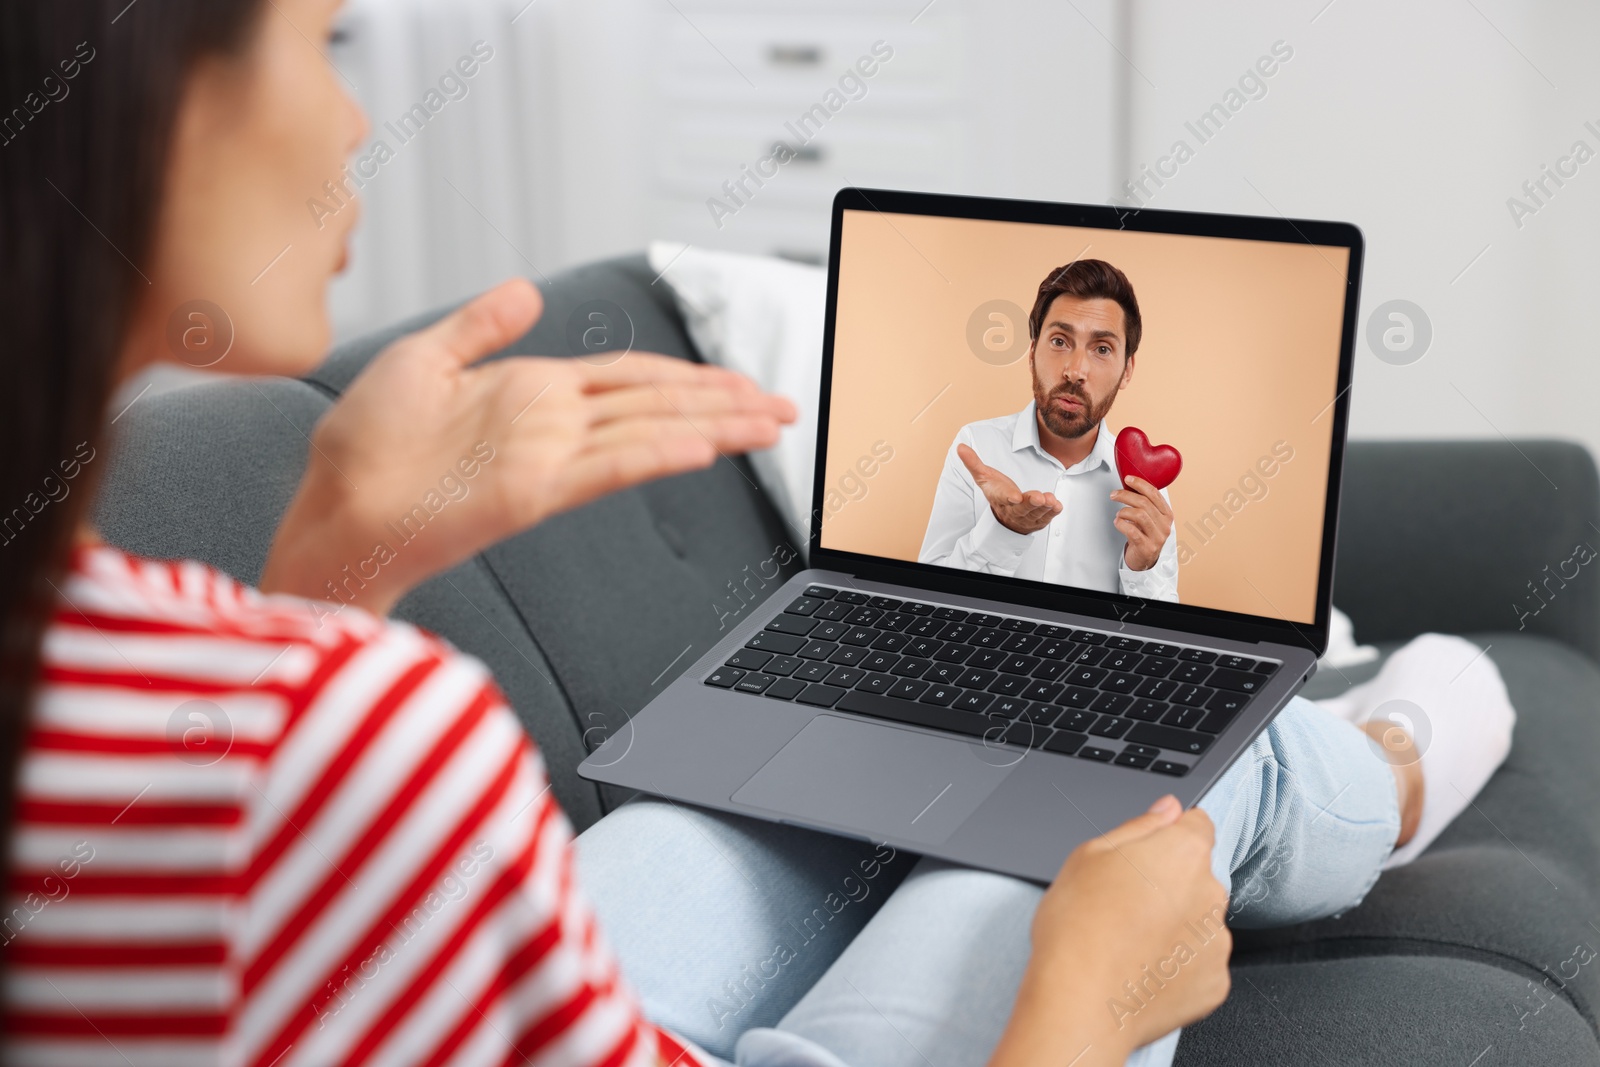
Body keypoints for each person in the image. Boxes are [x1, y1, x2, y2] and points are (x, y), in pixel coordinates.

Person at [0, 3, 1516, 1066]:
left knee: (698, 819)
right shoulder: (374, 736)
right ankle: (1385, 765)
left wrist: (334, 579)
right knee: (1156, 793)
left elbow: (229, 915)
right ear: (139, 99)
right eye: (312, 34)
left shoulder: (141, 670)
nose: (350, 114)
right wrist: (1086, 1001)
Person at [919, 260, 1178, 601]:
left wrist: (1142, 569)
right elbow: (931, 602)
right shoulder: (975, 448)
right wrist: (1004, 529)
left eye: (1102, 349)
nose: (1075, 371)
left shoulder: (1144, 490)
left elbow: (1152, 643)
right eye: (1059, 341)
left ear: (1127, 370)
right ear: (1031, 353)